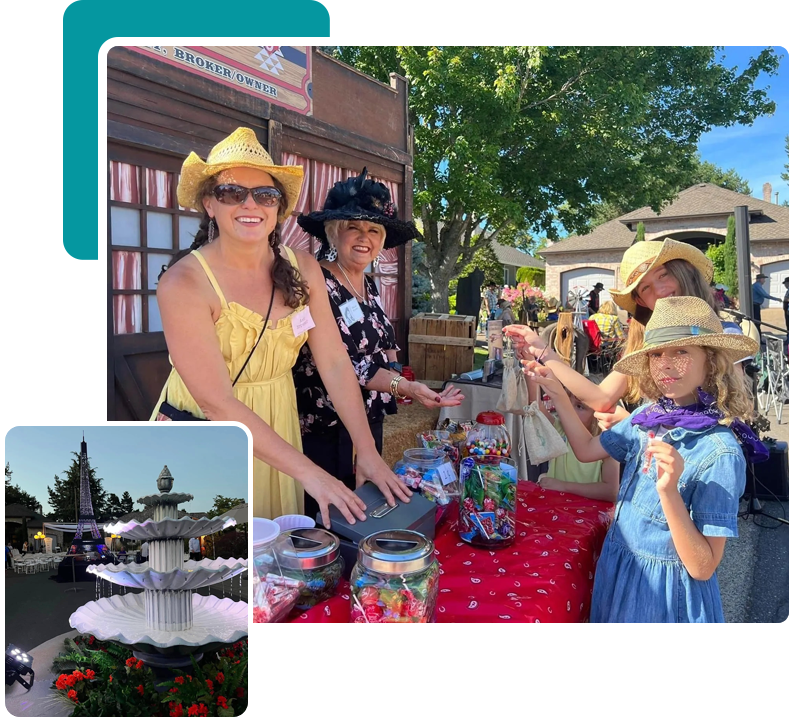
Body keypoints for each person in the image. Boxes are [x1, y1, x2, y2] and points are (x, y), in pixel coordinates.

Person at [150, 128, 408, 526]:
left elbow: (335, 363)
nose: (250, 204)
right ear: (209, 204)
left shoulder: (303, 268)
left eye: (264, 195)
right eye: (232, 192)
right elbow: (216, 403)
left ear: (278, 208)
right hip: (212, 430)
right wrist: (311, 474)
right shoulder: (183, 283)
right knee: (214, 557)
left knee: (275, 565)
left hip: (278, 424)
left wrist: (367, 451)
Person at [525, 296, 763, 622]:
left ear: (712, 361)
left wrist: (669, 492)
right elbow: (586, 450)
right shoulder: (648, 418)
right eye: (656, 354)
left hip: (666, 601)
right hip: (618, 575)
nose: (666, 364)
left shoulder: (718, 451)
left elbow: (703, 566)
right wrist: (555, 392)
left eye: (681, 352)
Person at [293, 169, 463, 517]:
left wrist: (403, 383)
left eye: (374, 230)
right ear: (333, 233)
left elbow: (381, 349)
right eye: (353, 227)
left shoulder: (368, 284)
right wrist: (407, 387)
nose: (364, 237)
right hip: (326, 422)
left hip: (369, 417)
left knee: (367, 508)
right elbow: (345, 363)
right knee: (330, 518)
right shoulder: (318, 280)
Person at [505, 238, 721, 428]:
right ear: (640, 301)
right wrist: (542, 350)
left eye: (663, 275)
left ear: (683, 272)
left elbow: (729, 409)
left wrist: (636, 424)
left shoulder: (722, 333)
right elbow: (601, 398)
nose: (659, 290)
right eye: (645, 288)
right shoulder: (647, 341)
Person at [525, 373, 619, 502]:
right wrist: (531, 370)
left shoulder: (607, 443)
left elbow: (610, 491)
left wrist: (563, 486)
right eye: (567, 403)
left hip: (587, 515)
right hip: (554, 507)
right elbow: (535, 406)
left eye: (579, 406)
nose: (569, 411)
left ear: (600, 414)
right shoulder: (560, 428)